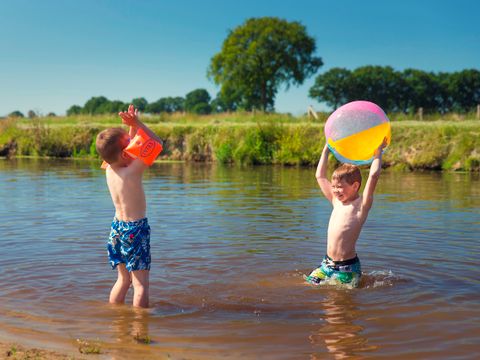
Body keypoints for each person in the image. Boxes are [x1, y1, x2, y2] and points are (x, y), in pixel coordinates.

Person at [95, 104, 163, 308]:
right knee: (141, 285)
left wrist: (130, 127)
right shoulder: (132, 171)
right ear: (126, 154)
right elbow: (157, 143)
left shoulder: (108, 168)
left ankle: (117, 320)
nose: (134, 142)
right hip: (135, 229)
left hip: (117, 229)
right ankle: (139, 331)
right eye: (129, 142)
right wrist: (138, 123)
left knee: (123, 280)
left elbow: (123, 150)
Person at [304, 138, 387, 287]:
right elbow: (320, 176)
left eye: (339, 187)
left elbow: (373, 176)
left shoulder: (361, 205)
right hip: (326, 265)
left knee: (339, 302)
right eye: (333, 186)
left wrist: (378, 152)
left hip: (347, 268)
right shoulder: (336, 201)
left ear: (355, 186)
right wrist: (326, 150)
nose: (335, 190)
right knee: (307, 286)